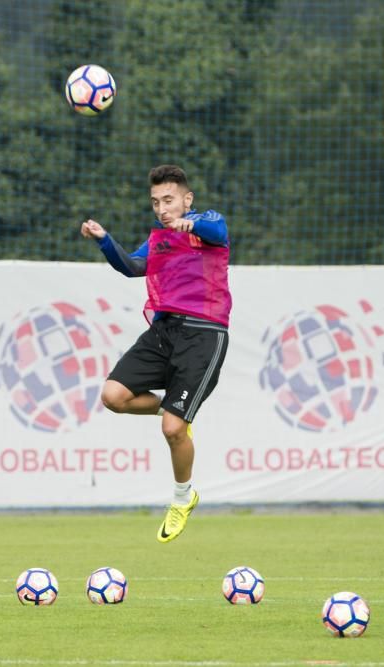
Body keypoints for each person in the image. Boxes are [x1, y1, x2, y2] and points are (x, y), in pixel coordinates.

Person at [80, 164, 231, 543]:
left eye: (168, 200)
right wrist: (103, 239)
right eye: (155, 202)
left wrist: (190, 225)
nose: (162, 209)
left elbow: (218, 230)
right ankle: (177, 407)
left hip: (204, 334)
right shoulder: (161, 239)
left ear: (186, 198)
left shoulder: (207, 222)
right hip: (164, 331)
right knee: (113, 396)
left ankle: (183, 498)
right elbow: (133, 267)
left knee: (172, 429)